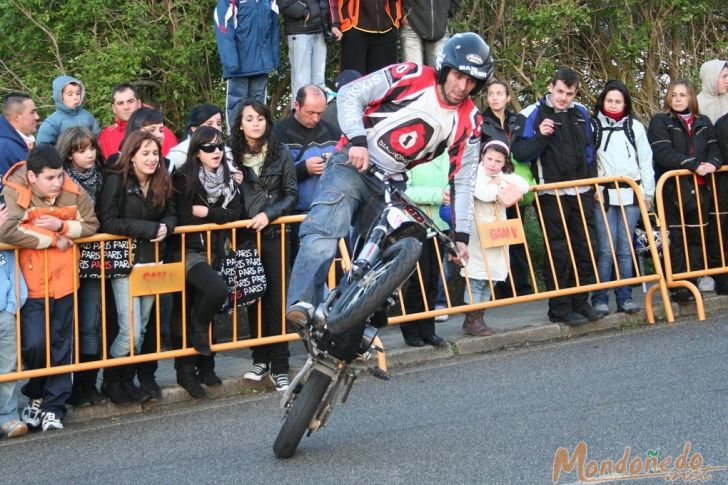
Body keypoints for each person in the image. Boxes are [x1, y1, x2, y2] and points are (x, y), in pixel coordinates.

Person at [285, 32, 493, 330]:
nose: (462, 87)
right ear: (446, 68)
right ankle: (302, 307)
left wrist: (461, 238)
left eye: (471, 81)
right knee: (324, 235)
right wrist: (357, 140)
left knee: (390, 247)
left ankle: (351, 315)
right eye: (458, 76)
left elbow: (463, 178)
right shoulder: (409, 74)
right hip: (351, 162)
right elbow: (351, 94)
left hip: (390, 182)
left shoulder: (470, 120)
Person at [0, 145, 99, 431]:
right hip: (32, 285)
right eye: (50, 178)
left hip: (66, 281)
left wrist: (62, 225)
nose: (58, 182)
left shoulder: (72, 188)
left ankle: (54, 406)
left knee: (61, 345)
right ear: (31, 177)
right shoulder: (14, 190)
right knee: (34, 345)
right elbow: (8, 230)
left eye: (60, 176)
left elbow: (92, 223)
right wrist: (54, 238)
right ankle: (37, 393)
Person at [511, 67, 603, 326]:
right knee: (560, 253)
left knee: (587, 249)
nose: (564, 97)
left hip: (581, 191)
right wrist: (541, 135)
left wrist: (593, 183)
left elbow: (589, 150)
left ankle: (579, 302)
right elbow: (519, 153)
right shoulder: (531, 114)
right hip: (550, 194)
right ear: (551, 87)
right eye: (560, 91)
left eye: (569, 93)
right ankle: (559, 308)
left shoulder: (581, 112)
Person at [97, 130, 176, 404]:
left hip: (153, 262)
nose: (152, 158)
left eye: (155, 153)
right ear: (131, 156)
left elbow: (172, 212)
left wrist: (168, 226)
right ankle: (111, 380)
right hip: (126, 264)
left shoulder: (161, 180)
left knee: (141, 329)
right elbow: (107, 221)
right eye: (145, 153)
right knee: (128, 331)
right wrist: (149, 229)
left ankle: (126, 380)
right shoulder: (116, 180)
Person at [232, 99, 298, 392]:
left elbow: (290, 194)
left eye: (260, 118)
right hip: (245, 235)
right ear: (240, 124)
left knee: (276, 299)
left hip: (274, 233)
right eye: (249, 118)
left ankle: (280, 365)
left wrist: (268, 214)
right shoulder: (231, 154)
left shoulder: (280, 152)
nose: (255, 123)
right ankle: (259, 358)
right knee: (253, 295)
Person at [172, 126, 240, 398]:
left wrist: (210, 212)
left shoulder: (229, 178)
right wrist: (219, 215)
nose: (216, 151)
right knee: (202, 300)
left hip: (216, 250)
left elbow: (238, 212)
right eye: (209, 147)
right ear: (197, 152)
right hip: (188, 251)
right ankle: (185, 372)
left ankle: (207, 366)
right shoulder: (182, 178)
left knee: (208, 306)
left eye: (219, 146)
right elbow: (185, 217)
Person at [647, 80, 722, 303]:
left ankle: (694, 280)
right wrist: (692, 164)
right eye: (674, 95)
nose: (678, 99)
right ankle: (677, 285)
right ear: (669, 98)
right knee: (675, 238)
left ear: (691, 98)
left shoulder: (704, 121)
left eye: (683, 95)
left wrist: (712, 164)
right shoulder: (660, 121)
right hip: (672, 189)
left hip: (699, 190)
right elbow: (662, 152)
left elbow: (715, 149)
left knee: (698, 236)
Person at [589, 80, 654, 315]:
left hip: (631, 194)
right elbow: (589, 160)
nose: (614, 105)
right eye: (610, 100)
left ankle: (625, 297)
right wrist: (593, 186)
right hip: (603, 196)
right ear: (602, 101)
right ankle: (600, 298)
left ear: (625, 103)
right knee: (606, 250)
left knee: (626, 249)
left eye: (618, 101)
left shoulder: (634, 127)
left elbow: (645, 160)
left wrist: (647, 194)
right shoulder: (593, 125)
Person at [56, 126, 107, 406]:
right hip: (62, 260)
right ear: (68, 153)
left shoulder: (102, 177)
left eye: (91, 148)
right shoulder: (59, 181)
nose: (88, 154)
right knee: (63, 325)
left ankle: (87, 385)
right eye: (80, 150)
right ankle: (61, 388)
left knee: (90, 323)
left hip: (93, 258)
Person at [462, 140, 529, 336]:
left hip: (497, 231)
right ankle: (471, 317)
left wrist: (502, 181)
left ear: (504, 162)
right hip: (477, 230)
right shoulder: (474, 173)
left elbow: (524, 185)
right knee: (476, 274)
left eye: (498, 161)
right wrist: (503, 189)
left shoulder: (502, 176)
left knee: (491, 275)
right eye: (489, 158)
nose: (492, 164)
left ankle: (480, 315)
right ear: (482, 156)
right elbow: (484, 193)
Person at [272, 85, 340, 261]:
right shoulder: (278, 133)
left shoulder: (333, 131)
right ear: (297, 105)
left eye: (320, 113)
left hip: (330, 213)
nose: (315, 118)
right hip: (295, 217)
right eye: (310, 113)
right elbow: (271, 178)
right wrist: (303, 169)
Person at [482, 79, 534, 298]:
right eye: (491, 93)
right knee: (497, 238)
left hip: (515, 183)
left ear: (507, 97)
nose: (495, 97)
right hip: (493, 185)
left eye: (499, 93)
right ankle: (500, 289)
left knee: (516, 235)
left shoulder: (518, 120)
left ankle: (521, 287)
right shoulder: (481, 121)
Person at [399, 151, 450, 346]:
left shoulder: (445, 153)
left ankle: (428, 329)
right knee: (417, 280)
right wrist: (438, 195)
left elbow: (452, 178)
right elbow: (404, 191)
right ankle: (410, 328)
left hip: (439, 224)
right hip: (414, 225)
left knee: (432, 279)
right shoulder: (409, 155)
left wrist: (447, 192)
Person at [214, 0, 280, 131]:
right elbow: (223, 27)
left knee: (259, 109)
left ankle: (259, 145)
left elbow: (274, 27)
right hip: (239, 67)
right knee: (237, 109)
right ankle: (235, 145)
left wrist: (273, 59)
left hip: (261, 65)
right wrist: (231, 62)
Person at [696, 59, 728, 293]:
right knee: (707, 224)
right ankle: (708, 272)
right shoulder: (696, 104)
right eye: (723, 76)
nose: (727, 80)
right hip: (705, 176)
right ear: (711, 76)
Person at [0, 204, 29, 439]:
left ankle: (7, 416)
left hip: (4, 313)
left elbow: (14, 275)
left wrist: (11, 308)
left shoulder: (5, 240)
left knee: (8, 366)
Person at [280, 0, 342, 104]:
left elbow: (332, 2)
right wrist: (305, 13)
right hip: (300, 32)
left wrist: (334, 25)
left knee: (319, 85)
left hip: (321, 31)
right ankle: (298, 119)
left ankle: (317, 118)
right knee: (301, 84)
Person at [98, 83, 177, 160]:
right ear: (114, 108)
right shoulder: (106, 136)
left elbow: (170, 167)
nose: (126, 107)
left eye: (130, 101)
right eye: (120, 103)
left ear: (139, 103)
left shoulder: (162, 132)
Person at [337, 0, 402, 74]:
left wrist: (395, 21)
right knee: (353, 81)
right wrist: (345, 24)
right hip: (354, 29)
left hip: (386, 29)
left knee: (383, 82)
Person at [36, 75, 100, 146]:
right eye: (70, 94)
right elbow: (44, 146)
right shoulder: (52, 122)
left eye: (78, 93)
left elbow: (98, 138)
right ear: (60, 96)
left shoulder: (87, 116)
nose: (75, 97)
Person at [400, 0, 458, 66]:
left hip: (439, 26)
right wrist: (404, 12)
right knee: (413, 72)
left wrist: (450, 10)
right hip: (411, 24)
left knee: (439, 72)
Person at [0, 92, 40, 177]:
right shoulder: (4, 149)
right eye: (32, 112)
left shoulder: (25, 140)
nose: (37, 117)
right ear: (17, 117)